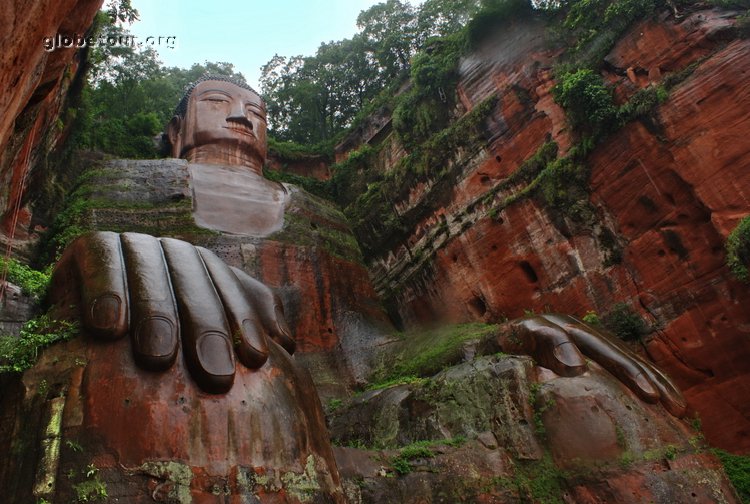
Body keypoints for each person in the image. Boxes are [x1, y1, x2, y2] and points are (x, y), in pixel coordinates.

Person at [37, 75, 684, 500]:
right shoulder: (126, 181)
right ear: (176, 129)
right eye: (218, 102)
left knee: (580, 396)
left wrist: (498, 338)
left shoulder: (317, 213)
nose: (242, 114)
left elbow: (367, 350)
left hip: (344, 400)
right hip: (215, 370)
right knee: (181, 381)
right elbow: (89, 292)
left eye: (257, 110)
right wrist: (103, 259)